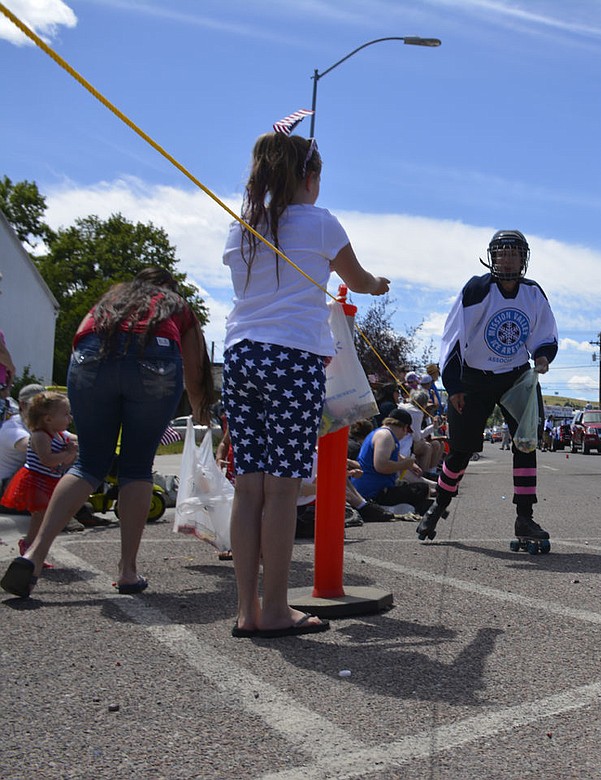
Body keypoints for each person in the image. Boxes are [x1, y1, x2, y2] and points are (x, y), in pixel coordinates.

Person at [219, 128, 389, 638]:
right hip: (291, 359)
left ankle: (247, 609)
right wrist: (376, 285)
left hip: (240, 355)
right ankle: (274, 609)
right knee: (283, 488)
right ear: (309, 177)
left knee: (249, 489)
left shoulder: (243, 227)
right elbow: (357, 280)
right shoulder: (319, 222)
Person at [2, 267, 212, 599]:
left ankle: (35, 555)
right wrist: (201, 410)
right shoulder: (175, 305)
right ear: (169, 288)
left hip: (91, 356)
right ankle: (127, 570)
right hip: (153, 362)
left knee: (87, 464)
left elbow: (81, 337)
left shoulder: (112, 298)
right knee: (136, 468)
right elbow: (194, 368)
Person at [414, 229, 559, 546]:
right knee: (461, 450)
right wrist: (453, 385)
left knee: (525, 443)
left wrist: (544, 356)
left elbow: (544, 332)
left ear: (523, 259)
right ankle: (438, 505)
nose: (507, 259)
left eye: (513, 253)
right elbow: (453, 337)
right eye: (502, 253)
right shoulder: (478, 289)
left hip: (515, 376)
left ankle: (525, 518)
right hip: (473, 378)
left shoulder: (533, 294)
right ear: (492, 257)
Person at [1, 392, 77, 558]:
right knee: (40, 516)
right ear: (48, 419)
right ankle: (30, 545)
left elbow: (75, 443)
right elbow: (47, 460)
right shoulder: (40, 436)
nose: (69, 418)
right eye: (65, 414)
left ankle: (35, 548)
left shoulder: (61, 435)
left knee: (47, 517)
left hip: (51, 481)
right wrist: (67, 454)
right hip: (36, 481)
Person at [351, 408, 431, 514]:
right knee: (422, 490)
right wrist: (404, 464)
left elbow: (394, 455)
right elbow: (381, 466)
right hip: (374, 493)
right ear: (405, 428)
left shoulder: (382, 434)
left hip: (372, 489)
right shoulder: (386, 436)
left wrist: (410, 465)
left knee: (418, 493)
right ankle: (389, 508)